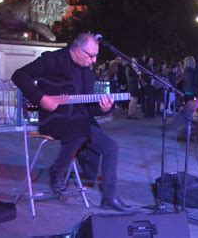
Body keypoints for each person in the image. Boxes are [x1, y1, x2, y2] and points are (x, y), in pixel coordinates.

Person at [11, 33, 131, 211]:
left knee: (111, 147)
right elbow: (19, 75)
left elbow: (87, 107)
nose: (94, 60)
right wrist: (42, 98)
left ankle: (109, 198)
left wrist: (103, 109)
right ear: (78, 50)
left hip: (79, 121)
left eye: (96, 56)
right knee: (80, 133)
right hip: (54, 119)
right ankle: (57, 171)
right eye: (91, 55)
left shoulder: (86, 71)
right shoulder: (53, 60)